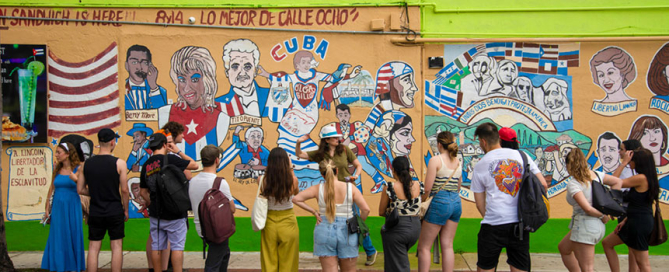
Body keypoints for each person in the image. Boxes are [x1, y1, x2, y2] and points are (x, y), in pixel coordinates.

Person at [295, 126, 377, 265]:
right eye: (334, 137)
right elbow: (300, 155)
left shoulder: (345, 150)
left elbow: (358, 165)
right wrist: (298, 142)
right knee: (333, 221)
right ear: (326, 140)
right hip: (331, 191)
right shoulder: (320, 154)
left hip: (348, 190)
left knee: (357, 222)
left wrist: (355, 176)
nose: (338, 139)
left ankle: (370, 250)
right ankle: (337, 252)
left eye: (338, 137)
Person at [470, 122, 543, 272]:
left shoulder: (481, 164)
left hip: (493, 224)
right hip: (520, 224)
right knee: (520, 267)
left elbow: (479, 203)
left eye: (479, 142)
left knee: (485, 268)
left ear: (483, 141)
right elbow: (543, 184)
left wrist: (490, 215)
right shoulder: (523, 156)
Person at [293, 159, 371, 272]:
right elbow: (366, 209)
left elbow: (296, 199)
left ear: (322, 174)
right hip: (348, 231)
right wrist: (358, 223)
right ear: (337, 170)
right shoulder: (350, 188)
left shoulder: (317, 188)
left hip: (324, 229)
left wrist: (314, 212)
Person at [140, 132, 199, 272]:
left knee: (157, 246)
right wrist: (178, 151)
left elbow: (143, 191)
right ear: (164, 145)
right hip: (175, 211)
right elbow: (194, 165)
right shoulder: (170, 159)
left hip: (156, 212)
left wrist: (151, 203)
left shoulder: (146, 165)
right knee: (177, 247)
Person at [558, 149, 622, 272]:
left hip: (585, 225)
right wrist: (612, 205)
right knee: (564, 248)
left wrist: (603, 215)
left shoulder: (574, 184)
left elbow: (587, 208)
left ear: (568, 165)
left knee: (587, 268)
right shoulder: (597, 175)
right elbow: (617, 181)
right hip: (594, 226)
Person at [76, 129, 128, 272]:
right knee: (116, 246)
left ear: (99, 142)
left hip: (96, 210)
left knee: (93, 247)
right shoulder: (120, 163)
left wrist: (93, 192)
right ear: (112, 142)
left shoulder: (86, 164)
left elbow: (80, 189)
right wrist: (126, 209)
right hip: (114, 210)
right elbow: (124, 190)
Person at [602, 148, 659, 272]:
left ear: (639, 162)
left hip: (639, 224)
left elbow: (614, 181)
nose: (629, 163)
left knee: (643, 263)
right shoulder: (648, 177)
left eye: (631, 161)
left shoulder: (641, 178)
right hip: (632, 221)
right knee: (607, 243)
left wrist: (622, 163)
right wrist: (625, 221)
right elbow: (640, 204)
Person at [417, 131, 461, 272]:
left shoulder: (435, 160)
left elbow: (428, 188)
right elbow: (458, 187)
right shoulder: (458, 162)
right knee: (447, 245)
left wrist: (422, 202)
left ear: (439, 144)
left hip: (439, 201)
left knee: (424, 247)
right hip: (455, 202)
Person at [189, 145, 235, 272]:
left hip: (201, 227)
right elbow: (232, 209)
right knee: (213, 264)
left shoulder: (192, 181)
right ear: (216, 160)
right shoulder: (219, 183)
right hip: (217, 229)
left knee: (224, 253)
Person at [41, 142, 86, 272]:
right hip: (58, 206)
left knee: (72, 233)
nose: (56, 155)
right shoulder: (56, 168)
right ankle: (58, 265)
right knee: (58, 234)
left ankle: (73, 266)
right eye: (56, 152)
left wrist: (76, 179)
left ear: (67, 154)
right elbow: (51, 188)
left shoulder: (79, 168)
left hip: (72, 205)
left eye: (59, 152)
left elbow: (83, 187)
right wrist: (47, 208)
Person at [258, 148, 300, 272]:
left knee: (268, 259)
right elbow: (295, 193)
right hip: (288, 221)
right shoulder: (293, 180)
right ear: (286, 162)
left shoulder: (262, 180)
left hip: (269, 222)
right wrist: (291, 168)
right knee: (289, 260)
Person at [379, 156, 422, 272]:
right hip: (415, 229)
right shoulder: (418, 185)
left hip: (397, 229)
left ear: (393, 170)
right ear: (409, 169)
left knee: (398, 265)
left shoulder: (389, 187)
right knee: (399, 259)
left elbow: (381, 212)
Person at [124, 44, 168, 110]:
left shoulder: (160, 92)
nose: (139, 67)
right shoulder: (119, 90)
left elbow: (162, 115)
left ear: (150, 66)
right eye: (134, 62)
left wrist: (153, 88)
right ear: (127, 66)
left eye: (144, 63)